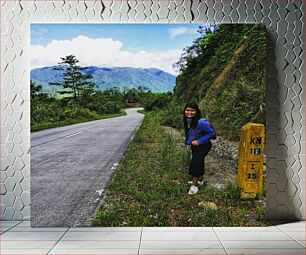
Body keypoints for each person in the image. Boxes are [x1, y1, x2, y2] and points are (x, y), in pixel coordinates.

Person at [183, 103, 215, 195]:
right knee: (199, 161)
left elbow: (212, 133)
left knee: (195, 162)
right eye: (187, 110)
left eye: (192, 110)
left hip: (204, 145)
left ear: (197, 112)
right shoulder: (188, 120)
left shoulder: (201, 122)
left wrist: (199, 141)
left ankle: (194, 186)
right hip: (195, 145)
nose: (189, 112)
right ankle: (200, 180)